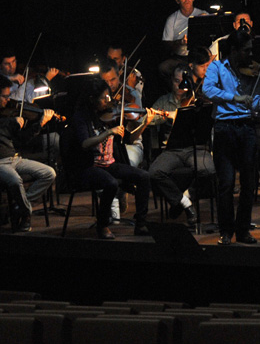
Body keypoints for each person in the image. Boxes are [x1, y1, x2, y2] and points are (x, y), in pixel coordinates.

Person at [202, 28, 260, 245]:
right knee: (225, 183)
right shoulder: (216, 67)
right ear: (234, 50)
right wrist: (234, 97)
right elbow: (207, 91)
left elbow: (256, 103)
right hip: (224, 129)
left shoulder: (252, 72)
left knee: (248, 183)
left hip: (246, 128)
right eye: (246, 50)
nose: (250, 55)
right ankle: (226, 231)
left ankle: (243, 229)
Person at [71, 78, 153, 239]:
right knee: (111, 183)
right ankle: (102, 225)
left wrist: (144, 124)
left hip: (110, 163)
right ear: (92, 99)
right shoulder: (81, 118)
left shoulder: (109, 116)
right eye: (104, 98)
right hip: (90, 166)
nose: (108, 101)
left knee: (143, 176)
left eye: (109, 97)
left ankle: (141, 223)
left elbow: (129, 139)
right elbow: (85, 144)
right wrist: (108, 133)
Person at [148, 65, 211, 226]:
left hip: (195, 148)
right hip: (172, 150)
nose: (179, 85)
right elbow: (148, 119)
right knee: (155, 172)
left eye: (183, 82)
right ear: (171, 82)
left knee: (209, 171)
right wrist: (161, 117)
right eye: (176, 81)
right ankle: (186, 204)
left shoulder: (198, 100)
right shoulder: (163, 101)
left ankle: (184, 198)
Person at [0, 76, 57, 232]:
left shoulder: (8, 115)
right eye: (4, 96)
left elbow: (22, 140)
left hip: (15, 159)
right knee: (14, 180)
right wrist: (10, 123)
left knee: (49, 173)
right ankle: (26, 214)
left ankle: (19, 207)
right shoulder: (7, 120)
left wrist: (40, 124)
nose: (7, 100)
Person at [160, 0, 207, 81]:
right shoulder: (172, 19)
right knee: (163, 67)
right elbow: (166, 44)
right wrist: (180, 43)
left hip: (200, 58)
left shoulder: (203, 14)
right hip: (181, 58)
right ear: (177, 0)